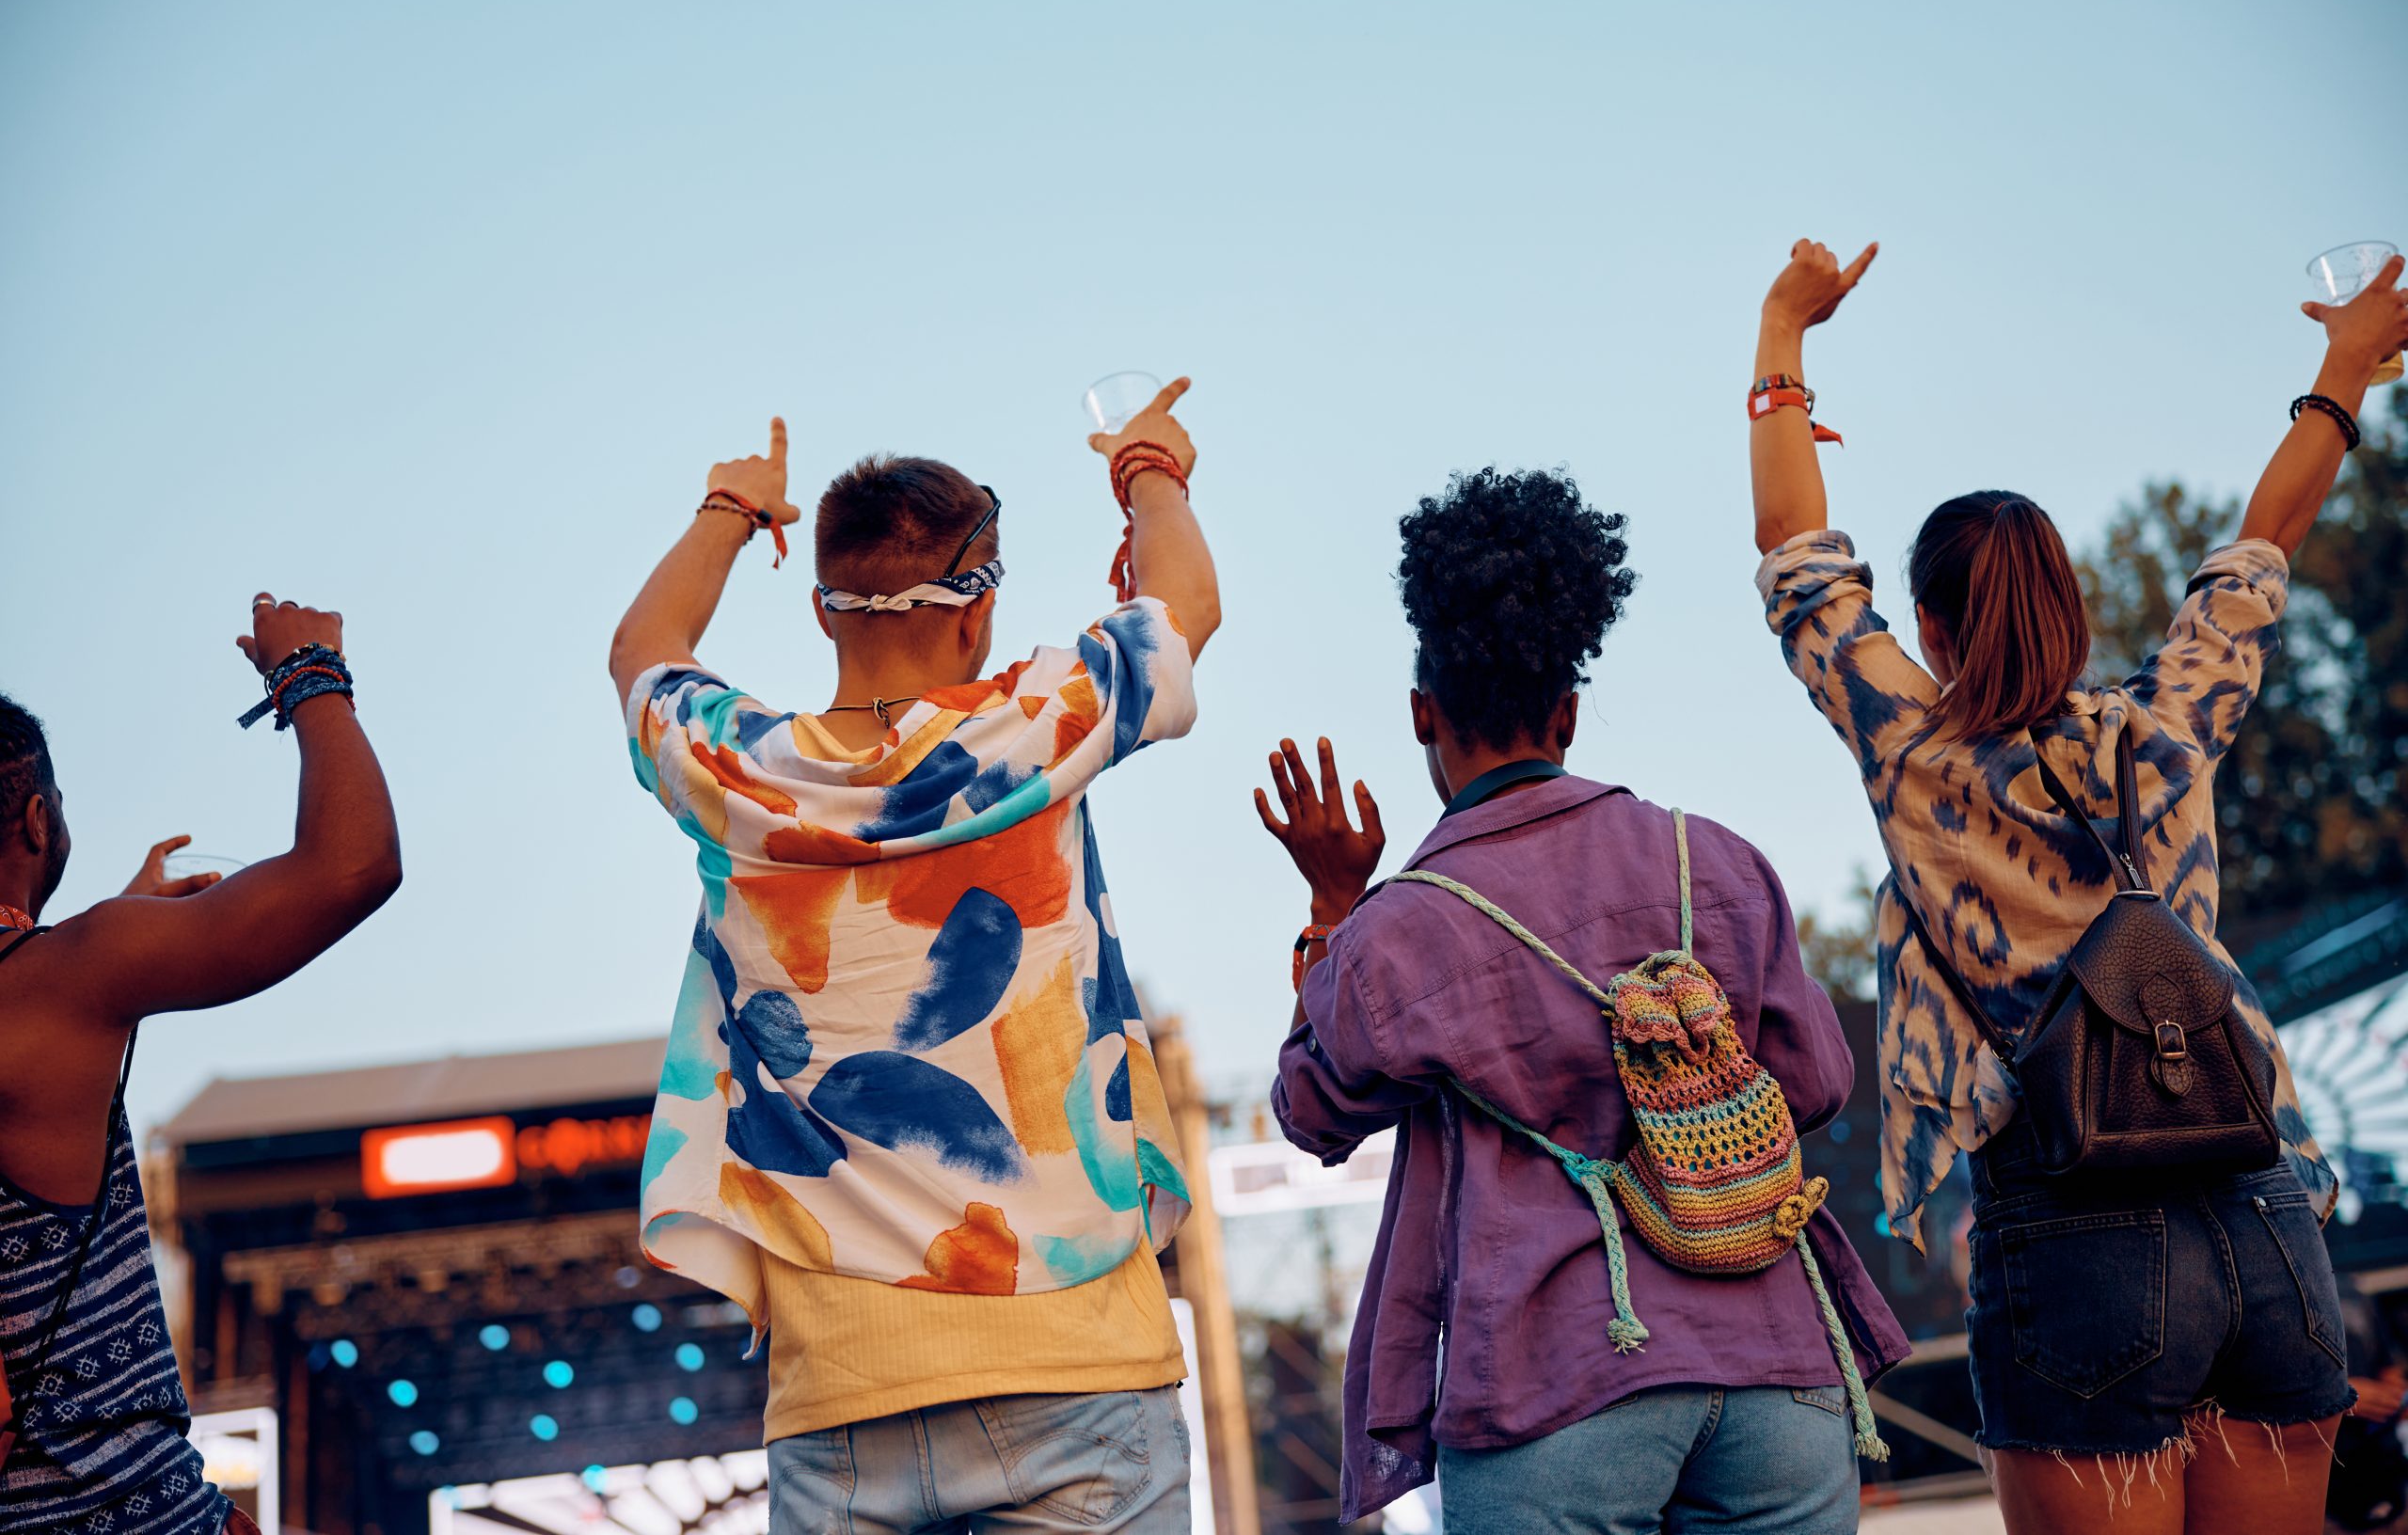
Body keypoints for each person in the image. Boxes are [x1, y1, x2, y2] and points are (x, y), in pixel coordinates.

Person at [1749, 238, 2408, 1534]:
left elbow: (1795, 553)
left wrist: (1784, 333)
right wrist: (2345, 364)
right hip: (2263, 1214)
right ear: (2070, 604)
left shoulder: (1917, 756)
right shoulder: (2166, 726)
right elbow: (2263, 544)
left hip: (2075, 1231)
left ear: (1929, 630)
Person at [608, 384, 1219, 1533]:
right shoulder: (1036, 725)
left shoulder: (734, 774)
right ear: (976, 615)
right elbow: (1185, 601)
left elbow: (643, 649)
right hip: (1078, 1361)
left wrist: (733, 506)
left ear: (825, 612)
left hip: (844, 1400)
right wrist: (1149, 467)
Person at [1260, 467, 1909, 1533]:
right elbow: (1819, 1081)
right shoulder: (1716, 862)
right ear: (1568, 710)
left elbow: (1312, 1111)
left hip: (1557, 1380)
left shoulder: (1401, 926)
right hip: (1776, 1359)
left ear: (1422, 714)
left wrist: (1333, 903)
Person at [0, 595, 402, 1535]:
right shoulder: (68, 979)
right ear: (32, 820)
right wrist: (306, 668)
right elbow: (354, 865)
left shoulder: (65, 989)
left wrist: (107, 943)